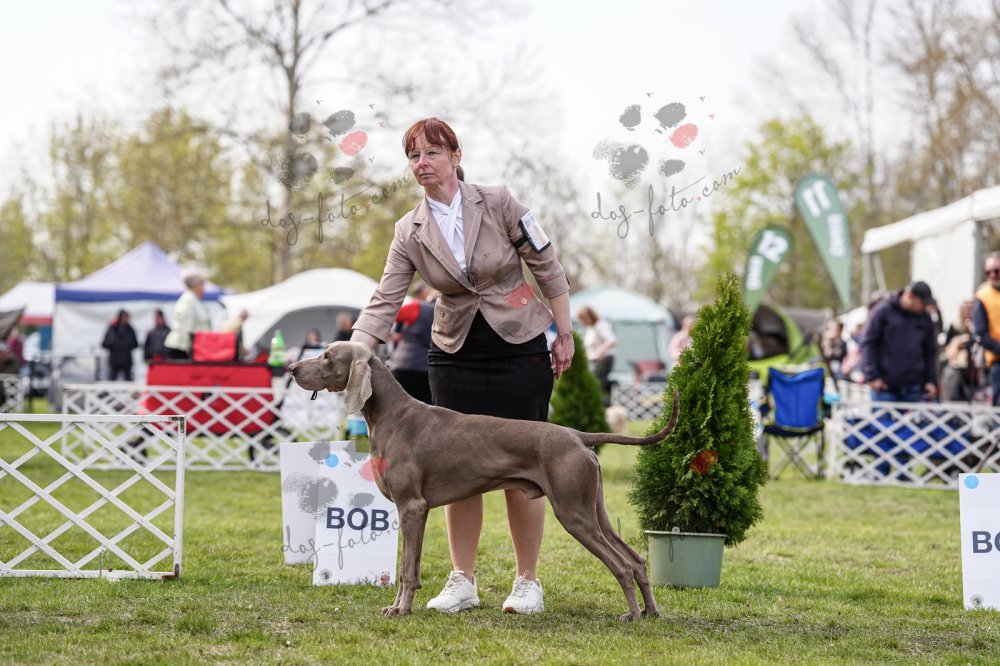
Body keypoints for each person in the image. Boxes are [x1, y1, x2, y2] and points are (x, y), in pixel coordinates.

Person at [349, 117, 574, 615]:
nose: (422, 163)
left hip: (520, 345)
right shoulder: (408, 230)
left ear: (455, 156)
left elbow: (547, 267)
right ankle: (462, 580)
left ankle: (527, 581)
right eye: (413, 156)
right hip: (453, 354)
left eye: (432, 153)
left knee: (524, 465)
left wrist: (564, 332)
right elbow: (385, 299)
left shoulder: (499, 202)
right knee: (454, 466)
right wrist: (354, 351)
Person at [860, 281, 939, 402]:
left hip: (914, 387)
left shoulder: (925, 318)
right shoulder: (882, 311)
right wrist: (872, 376)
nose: (924, 307)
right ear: (910, 296)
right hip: (885, 387)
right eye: (922, 303)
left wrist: (931, 380)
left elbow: (930, 351)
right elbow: (868, 344)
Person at [388, 282, 436, 404]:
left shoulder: (418, 306)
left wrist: (397, 336)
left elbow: (388, 315)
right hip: (429, 369)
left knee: (398, 407)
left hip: (404, 365)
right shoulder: (452, 315)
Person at [164, 269, 211, 360]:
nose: (204, 289)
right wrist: (190, 352)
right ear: (196, 285)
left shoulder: (194, 301)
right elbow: (187, 328)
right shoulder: (188, 301)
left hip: (189, 347)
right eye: (202, 284)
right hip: (181, 348)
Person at [974, 252, 1000, 405]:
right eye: (988, 272)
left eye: (997, 271)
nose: (993, 275)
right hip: (997, 362)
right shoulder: (983, 297)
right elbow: (981, 334)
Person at [577, 305, 616, 395]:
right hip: (593, 360)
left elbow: (611, 340)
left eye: (584, 319)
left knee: (598, 385)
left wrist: (601, 350)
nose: (583, 322)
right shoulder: (591, 328)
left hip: (601, 361)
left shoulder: (600, 325)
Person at [941, 300, 974, 402]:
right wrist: (958, 346)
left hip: (971, 369)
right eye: (965, 310)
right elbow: (947, 349)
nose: (967, 312)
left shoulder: (976, 328)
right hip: (956, 367)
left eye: (970, 309)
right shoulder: (954, 328)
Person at [101, 309, 139, 380]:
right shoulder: (112, 329)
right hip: (114, 361)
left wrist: (127, 345)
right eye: (123, 317)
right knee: (112, 381)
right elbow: (104, 344)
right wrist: (112, 344)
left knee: (128, 381)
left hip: (126, 361)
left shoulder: (130, 330)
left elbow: (135, 344)